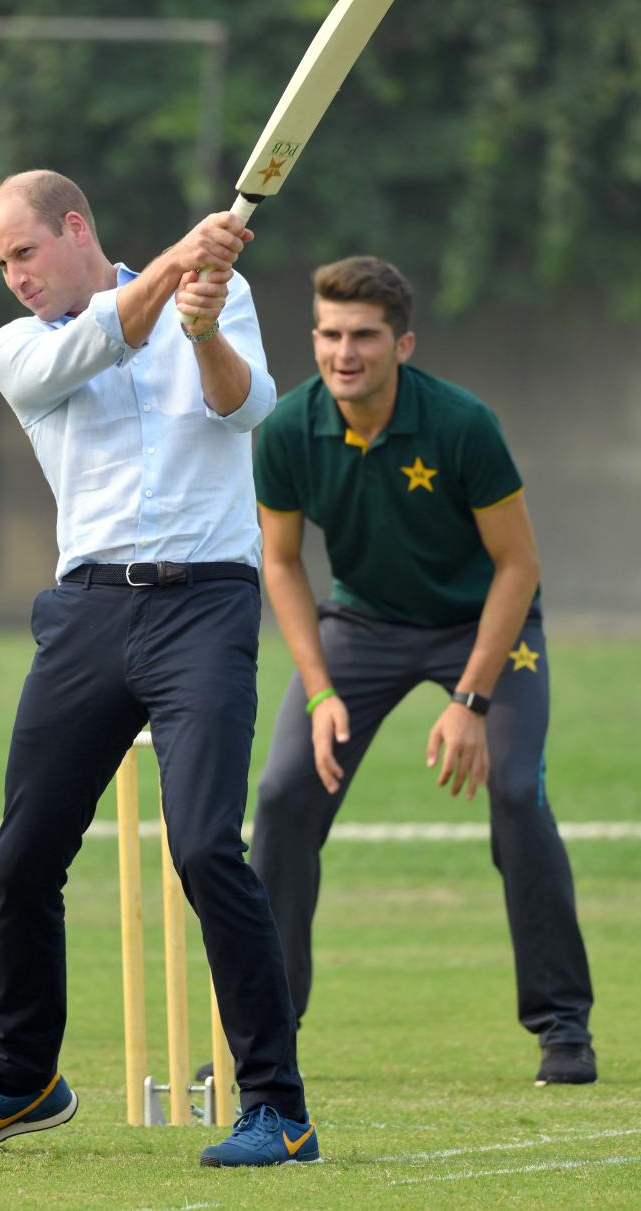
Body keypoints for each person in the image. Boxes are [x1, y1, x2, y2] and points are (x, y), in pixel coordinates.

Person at [0, 170, 319, 1167]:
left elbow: (245, 409)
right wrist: (182, 266)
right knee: (24, 854)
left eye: (23, 252)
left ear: (74, 226)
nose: (13, 277)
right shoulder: (21, 347)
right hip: (86, 612)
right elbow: (102, 339)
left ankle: (278, 1107)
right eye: (0, 262)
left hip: (205, 606)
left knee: (205, 850)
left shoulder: (218, 297)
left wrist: (204, 326)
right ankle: (25, 1081)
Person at [249, 255, 595, 1087]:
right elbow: (283, 564)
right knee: (284, 795)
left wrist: (473, 698)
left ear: (402, 343)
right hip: (361, 626)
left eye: (364, 335)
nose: (344, 352)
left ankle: (563, 1026)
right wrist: (322, 689)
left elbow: (518, 565)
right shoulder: (288, 428)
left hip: (486, 627)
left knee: (516, 791)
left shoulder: (462, 423)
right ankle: (263, 1032)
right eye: (330, 334)